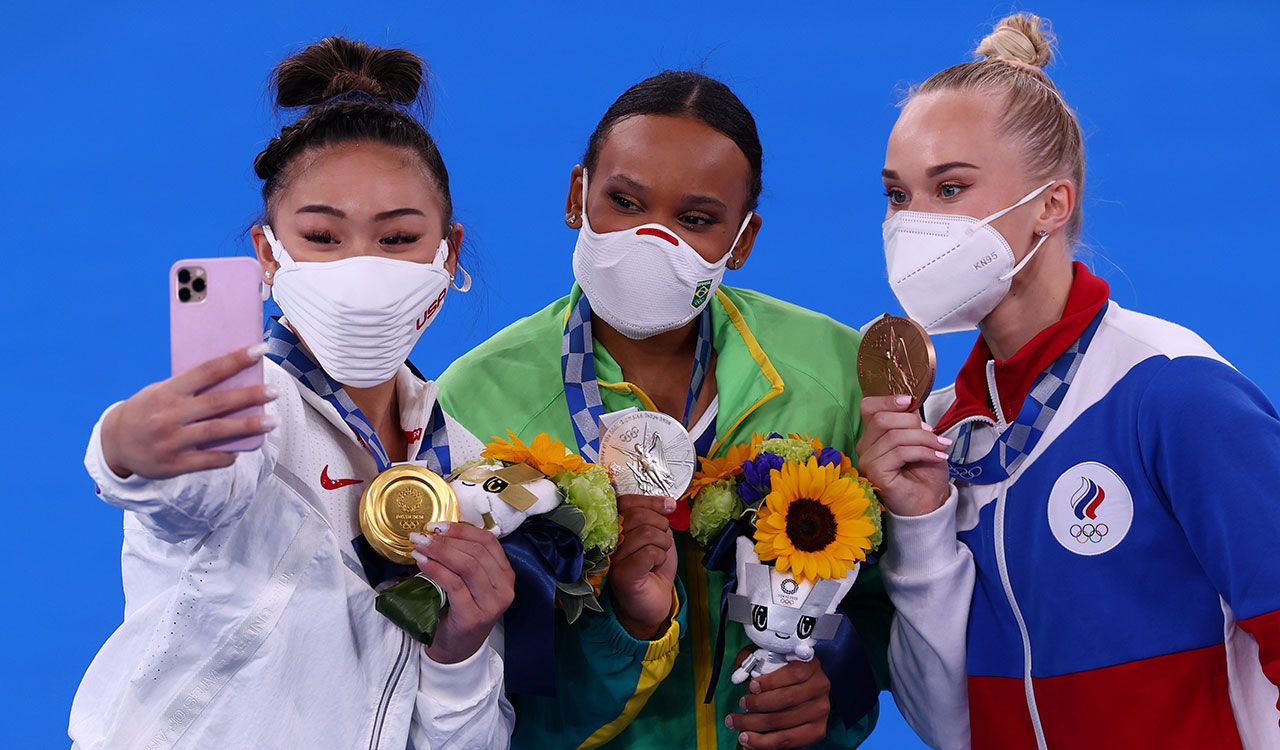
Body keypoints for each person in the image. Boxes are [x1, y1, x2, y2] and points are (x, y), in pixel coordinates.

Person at [70, 37, 515, 749]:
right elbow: (188, 495)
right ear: (266, 253)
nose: (362, 270)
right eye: (322, 236)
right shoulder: (247, 411)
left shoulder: (465, 465)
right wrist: (124, 446)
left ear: (448, 252)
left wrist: (460, 652)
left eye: (398, 238)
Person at [859, 13, 1280, 750]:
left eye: (950, 188)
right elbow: (951, 725)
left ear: (1051, 205)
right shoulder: (943, 434)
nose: (913, 224)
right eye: (899, 196)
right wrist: (921, 527)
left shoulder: (1169, 392)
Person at [438, 71, 893, 749]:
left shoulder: (833, 372)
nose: (652, 242)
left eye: (696, 220)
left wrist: (838, 676)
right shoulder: (475, 399)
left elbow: (889, 602)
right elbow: (467, 666)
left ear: (742, 240)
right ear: (576, 196)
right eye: (624, 202)